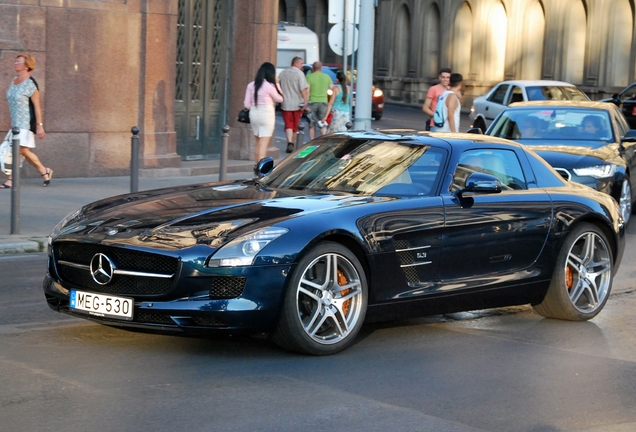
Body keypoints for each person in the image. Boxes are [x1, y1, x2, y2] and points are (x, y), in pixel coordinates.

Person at [3, 53, 52, 189]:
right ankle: (44, 170)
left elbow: (37, 106)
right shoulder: (14, 80)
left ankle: (11, 179)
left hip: (25, 122)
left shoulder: (31, 84)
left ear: (26, 66)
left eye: (18, 62)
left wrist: (39, 126)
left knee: (19, 149)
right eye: (15, 61)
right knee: (22, 151)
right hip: (15, 123)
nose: (15, 63)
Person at [243, 62, 284, 162]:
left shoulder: (251, 85)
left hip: (254, 113)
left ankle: (257, 166)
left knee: (258, 142)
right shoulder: (270, 86)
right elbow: (280, 99)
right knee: (264, 144)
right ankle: (261, 170)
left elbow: (247, 105)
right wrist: (277, 84)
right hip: (266, 113)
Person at [278, 56, 309, 153]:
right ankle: (293, 142)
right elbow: (303, 89)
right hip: (297, 103)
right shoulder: (300, 74)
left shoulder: (283, 73)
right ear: (295, 63)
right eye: (301, 63)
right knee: (296, 124)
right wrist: (305, 102)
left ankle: (289, 142)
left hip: (286, 102)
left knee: (288, 124)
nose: (302, 66)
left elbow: (278, 85)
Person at [305, 61, 334, 139]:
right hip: (323, 102)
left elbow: (307, 91)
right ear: (321, 68)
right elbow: (332, 88)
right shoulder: (326, 77)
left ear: (312, 68)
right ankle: (323, 141)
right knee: (323, 123)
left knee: (311, 124)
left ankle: (312, 143)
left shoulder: (309, 77)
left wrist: (306, 104)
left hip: (312, 102)